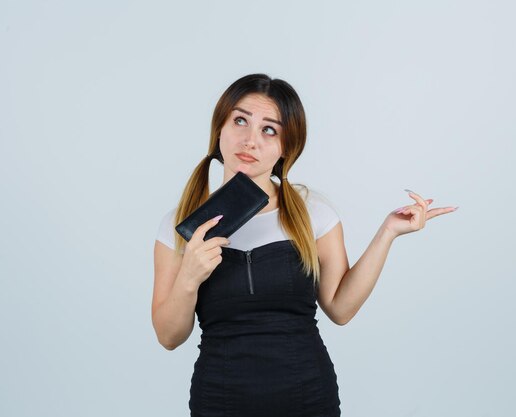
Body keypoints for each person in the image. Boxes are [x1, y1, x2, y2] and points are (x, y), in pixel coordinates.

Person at [152, 73, 458, 417]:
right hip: (219, 401)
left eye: (270, 129)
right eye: (240, 121)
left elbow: (340, 309)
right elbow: (168, 336)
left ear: (286, 147)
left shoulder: (314, 213)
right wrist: (189, 277)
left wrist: (387, 232)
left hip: (308, 397)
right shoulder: (179, 226)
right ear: (219, 131)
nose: (250, 140)